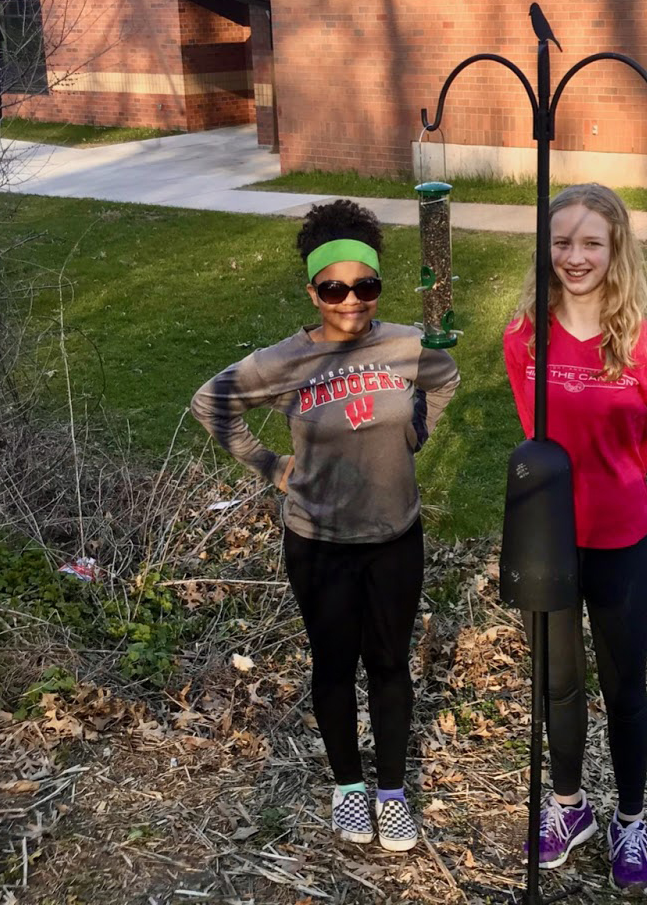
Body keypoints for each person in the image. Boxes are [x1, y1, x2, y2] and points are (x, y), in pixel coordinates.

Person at [191, 199, 459, 853]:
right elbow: (211, 402)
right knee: (335, 665)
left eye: (365, 287)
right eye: (334, 289)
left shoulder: (404, 343)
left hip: (396, 538)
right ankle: (347, 786)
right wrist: (268, 464)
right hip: (319, 545)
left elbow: (444, 376)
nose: (350, 302)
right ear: (312, 290)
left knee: (390, 662)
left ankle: (391, 792)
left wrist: (416, 431)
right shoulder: (285, 362)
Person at [502, 183, 647, 897]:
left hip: (621, 540)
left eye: (591, 243)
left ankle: (629, 821)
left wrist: (612, 488)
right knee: (559, 684)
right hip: (550, 539)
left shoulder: (646, 345)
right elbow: (533, 433)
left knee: (624, 687)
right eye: (562, 242)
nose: (575, 257)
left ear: (616, 251)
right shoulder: (524, 337)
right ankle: (568, 809)